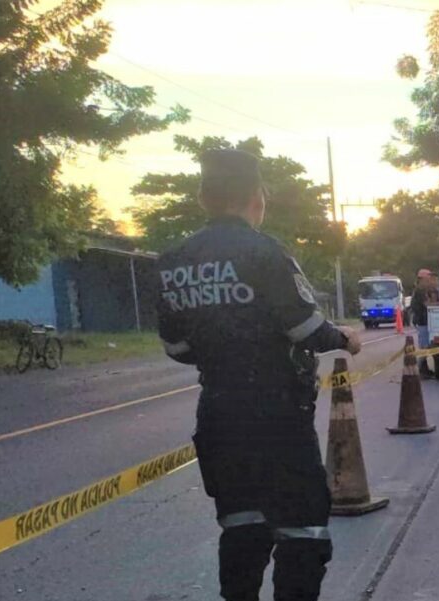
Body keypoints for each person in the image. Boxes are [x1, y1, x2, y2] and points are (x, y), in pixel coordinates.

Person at [157, 149, 361, 601]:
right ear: (257, 197)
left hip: (219, 415)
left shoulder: (173, 261)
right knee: (303, 531)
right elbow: (305, 328)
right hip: (278, 417)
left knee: (242, 528)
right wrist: (345, 338)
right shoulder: (264, 252)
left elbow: (177, 348)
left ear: (203, 197)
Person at [410, 268, 439, 377]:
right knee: (425, 347)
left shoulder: (426, 290)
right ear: (422, 279)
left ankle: (424, 370)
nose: (430, 279)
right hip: (422, 322)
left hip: (426, 321)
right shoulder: (420, 290)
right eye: (428, 277)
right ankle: (418, 370)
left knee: (427, 346)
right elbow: (427, 305)